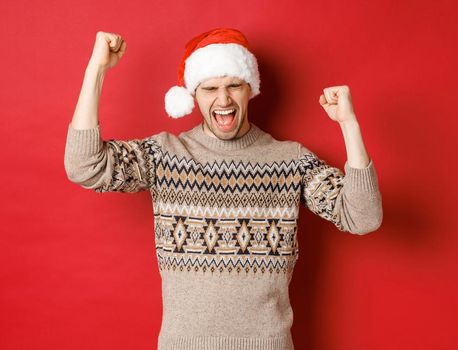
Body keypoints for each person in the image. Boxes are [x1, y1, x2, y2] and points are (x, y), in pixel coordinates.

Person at [63, 28, 382, 350]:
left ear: (250, 89)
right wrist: (96, 70)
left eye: (234, 86)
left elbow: (361, 217)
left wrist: (349, 124)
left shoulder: (290, 160)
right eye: (210, 88)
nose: (224, 99)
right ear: (193, 95)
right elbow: (85, 166)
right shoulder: (165, 155)